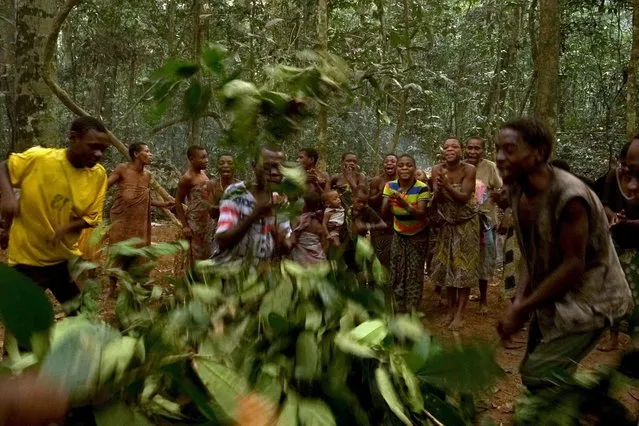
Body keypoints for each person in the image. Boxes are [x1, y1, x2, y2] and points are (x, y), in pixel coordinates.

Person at [495, 117, 632, 393]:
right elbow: (532, 257)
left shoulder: (571, 198)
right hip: (554, 298)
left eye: (509, 150)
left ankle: (595, 406)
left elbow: (573, 265)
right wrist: (520, 300)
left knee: (540, 376)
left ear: (540, 153)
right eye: (497, 149)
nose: (499, 158)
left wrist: (523, 307)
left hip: (593, 301)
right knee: (540, 379)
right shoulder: (517, 190)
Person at [0, 116, 109, 306]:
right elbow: (3, 166)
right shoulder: (40, 159)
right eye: (93, 146)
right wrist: (8, 196)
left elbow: (92, 217)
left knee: (82, 318)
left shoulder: (98, 175)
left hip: (63, 260)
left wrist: (66, 228)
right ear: (73, 138)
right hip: (28, 262)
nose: (99, 154)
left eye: (103, 149)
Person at [107, 143, 173, 293]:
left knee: (138, 250)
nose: (151, 154)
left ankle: (136, 284)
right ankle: (112, 288)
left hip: (139, 221)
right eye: (147, 151)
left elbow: (145, 198)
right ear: (136, 154)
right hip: (121, 218)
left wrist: (164, 204)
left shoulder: (148, 175)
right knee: (119, 249)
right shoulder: (122, 169)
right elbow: (105, 186)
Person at [430, 137, 480, 330]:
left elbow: (463, 198)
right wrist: (439, 188)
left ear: (461, 151)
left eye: (455, 146)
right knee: (448, 267)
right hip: (447, 224)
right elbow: (439, 199)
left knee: (464, 269)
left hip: (466, 225)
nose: (450, 149)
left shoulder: (469, 170)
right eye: (447, 146)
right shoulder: (436, 169)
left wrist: (448, 185)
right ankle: (451, 310)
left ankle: (460, 314)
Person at [212, 148, 292, 264]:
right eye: (266, 167)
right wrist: (255, 214)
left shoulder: (280, 198)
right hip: (231, 270)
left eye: (278, 167)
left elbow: (285, 247)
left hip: (262, 272)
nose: (274, 172)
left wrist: (274, 224)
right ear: (254, 166)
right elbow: (222, 241)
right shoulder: (236, 192)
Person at [597, 139, 639, 351]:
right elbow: (604, 204)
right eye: (623, 165)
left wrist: (629, 223)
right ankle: (612, 337)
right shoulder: (613, 177)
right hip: (615, 241)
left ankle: (635, 340)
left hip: (635, 245)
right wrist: (613, 216)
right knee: (612, 289)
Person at [382, 154, 430, 313]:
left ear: (414, 168)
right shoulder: (390, 186)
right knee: (397, 270)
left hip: (418, 235)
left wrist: (404, 204)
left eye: (408, 165)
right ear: (396, 168)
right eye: (401, 165)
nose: (404, 168)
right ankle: (398, 306)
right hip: (399, 233)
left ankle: (412, 308)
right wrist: (388, 201)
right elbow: (383, 212)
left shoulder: (422, 187)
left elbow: (421, 214)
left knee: (414, 272)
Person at [465, 136, 503, 314]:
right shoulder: (461, 167)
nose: (473, 151)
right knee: (463, 260)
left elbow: (501, 189)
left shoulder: (490, 167)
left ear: (483, 150)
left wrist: (489, 198)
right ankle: (461, 301)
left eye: (477, 148)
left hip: (485, 223)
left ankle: (484, 299)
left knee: (484, 260)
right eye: (470, 148)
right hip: (463, 222)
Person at [175, 145, 215, 265]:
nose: (206, 160)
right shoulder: (187, 178)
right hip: (195, 222)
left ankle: (205, 280)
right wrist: (185, 226)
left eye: (207, 156)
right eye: (202, 157)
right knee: (196, 253)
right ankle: (193, 280)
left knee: (207, 251)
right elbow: (178, 202)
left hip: (207, 220)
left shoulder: (203, 173)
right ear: (192, 159)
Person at [368, 154, 397, 268]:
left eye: (392, 161)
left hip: (397, 221)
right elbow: (370, 201)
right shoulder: (377, 180)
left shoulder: (403, 179)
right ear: (383, 165)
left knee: (394, 252)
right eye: (386, 161)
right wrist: (384, 190)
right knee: (378, 252)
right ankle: (376, 281)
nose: (389, 163)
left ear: (397, 164)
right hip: (380, 221)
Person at [291, 192, 326, 263]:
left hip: (302, 258)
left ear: (304, 205)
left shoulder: (298, 220)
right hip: (318, 258)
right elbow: (324, 242)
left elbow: (293, 240)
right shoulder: (319, 222)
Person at [208, 153, 239, 223]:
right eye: (221, 163)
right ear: (217, 166)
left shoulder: (242, 186)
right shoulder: (212, 185)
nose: (225, 165)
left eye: (230, 163)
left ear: (235, 166)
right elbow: (212, 214)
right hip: (218, 228)